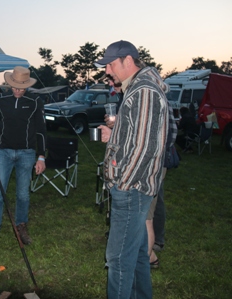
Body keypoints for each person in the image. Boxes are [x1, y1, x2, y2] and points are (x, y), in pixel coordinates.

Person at [97, 40, 169, 298]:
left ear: (128, 61)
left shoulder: (144, 92)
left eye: (111, 64)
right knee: (138, 253)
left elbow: (145, 148)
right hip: (134, 188)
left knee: (117, 258)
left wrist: (121, 183)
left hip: (132, 189)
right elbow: (137, 135)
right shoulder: (137, 89)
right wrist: (116, 134)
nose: (107, 71)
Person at [0, 66, 47, 252]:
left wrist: (41, 156)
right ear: (10, 84)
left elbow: (41, 130)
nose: (18, 90)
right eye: (15, 87)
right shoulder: (2, 100)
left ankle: (21, 226)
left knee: (23, 194)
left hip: (26, 153)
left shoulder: (34, 101)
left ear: (27, 85)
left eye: (21, 87)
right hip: (3, 152)